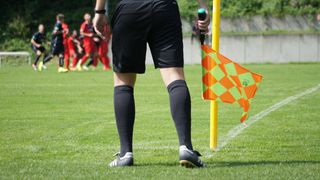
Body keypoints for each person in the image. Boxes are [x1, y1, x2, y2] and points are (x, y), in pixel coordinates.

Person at [93, 0, 210, 168]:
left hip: (129, 9)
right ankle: (186, 148)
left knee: (123, 81)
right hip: (164, 9)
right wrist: (203, 7)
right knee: (174, 76)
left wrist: (99, 11)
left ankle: (125, 153)